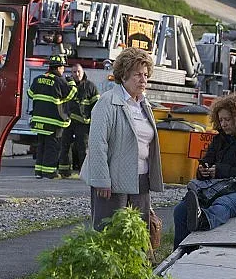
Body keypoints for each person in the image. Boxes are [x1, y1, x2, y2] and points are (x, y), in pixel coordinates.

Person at [80, 47, 162, 231]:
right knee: (111, 234)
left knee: (138, 234)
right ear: (124, 75)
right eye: (137, 75)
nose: (143, 80)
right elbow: (97, 143)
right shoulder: (107, 102)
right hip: (112, 182)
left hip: (141, 180)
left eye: (146, 75)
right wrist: (101, 179)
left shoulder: (144, 104)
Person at [172, 94, 236, 249]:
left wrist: (219, 171)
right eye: (221, 120)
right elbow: (206, 161)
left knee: (223, 204)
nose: (223, 124)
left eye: (228, 120)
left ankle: (204, 220)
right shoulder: (220, 139)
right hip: (222, 187)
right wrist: (202, 170)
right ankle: (180, 252)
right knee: (180, 210)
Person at [28, 55, 77, 179]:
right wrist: (71, 82)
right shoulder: (60, 81)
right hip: (54, 122)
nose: (63, 70)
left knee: (41, 146)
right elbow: (71, 95)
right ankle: (50, 173)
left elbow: (30, 94)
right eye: (62, 68)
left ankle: (39, 172)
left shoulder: (38, 79)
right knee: (52, 148)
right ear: (59, 68)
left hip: (39, 120)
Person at [58, 63, 100, 177]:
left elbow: (96, 105)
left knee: (83, 147)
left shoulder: (90, 87)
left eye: (78, 72)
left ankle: (84, 172)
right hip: (68, 121)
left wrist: (93, 120)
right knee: (64, 146)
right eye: (74, 72)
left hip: (83, 123)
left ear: (83, 72)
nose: (76, 74)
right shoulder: (67, 86)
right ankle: (64, 171)